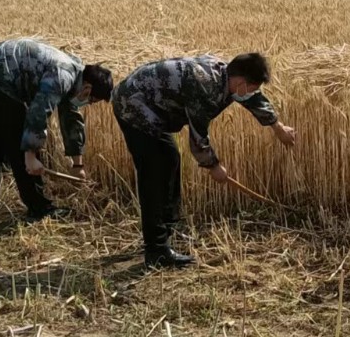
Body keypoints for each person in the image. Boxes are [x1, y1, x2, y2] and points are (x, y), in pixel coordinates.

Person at [111, 51, 298, 267]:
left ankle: (166, 233)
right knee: (155, 171)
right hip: (133, 105)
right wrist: (213, 166)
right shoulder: (204, 86)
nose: (252, 93)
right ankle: (156, 250)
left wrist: (278, 127)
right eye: (252, 88)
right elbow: (198, 137)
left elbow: (254, 99)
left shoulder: (229, 77)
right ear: (240, 82)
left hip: (151, 107)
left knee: (171, 160)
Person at [0, 37, 114, 222]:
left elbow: (71, 118)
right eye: (92, 100)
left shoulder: (75, 76)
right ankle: (39, 208)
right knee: (20, 145)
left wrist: (77, 165)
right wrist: (31, 156)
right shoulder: (63, 75)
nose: (89, 103)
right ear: (87, 88)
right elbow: (39, 111)